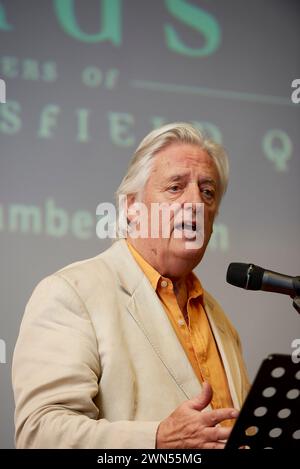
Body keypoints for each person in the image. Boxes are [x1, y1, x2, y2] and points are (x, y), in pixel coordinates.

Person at [12, 122, 250, 449]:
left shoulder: (220, 321)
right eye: (175, 187)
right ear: (131, 208)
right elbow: (40, 433)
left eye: (207, 192)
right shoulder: (71, 294)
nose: (195, 202)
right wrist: (156, 440)